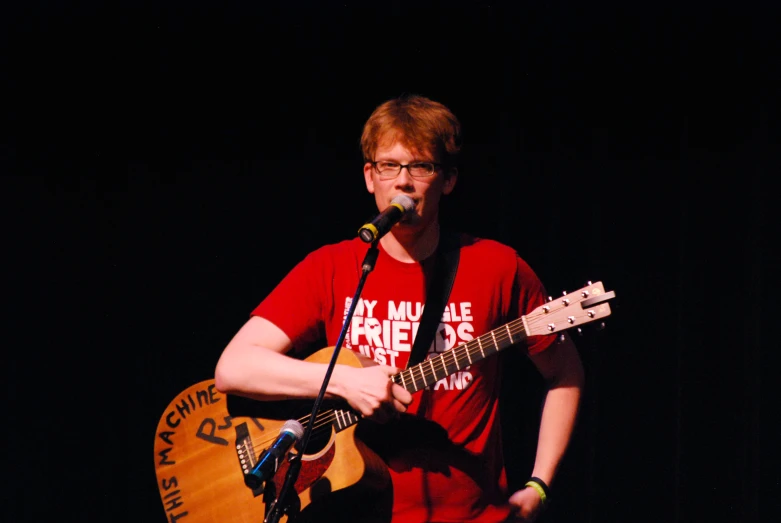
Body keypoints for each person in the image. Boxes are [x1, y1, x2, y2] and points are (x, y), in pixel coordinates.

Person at [214, 93, 585, 523]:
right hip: (351, 510)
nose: (403, 182)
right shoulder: (331, 267)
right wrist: (345, 382)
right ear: (370, 177)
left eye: (421, 166)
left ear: (447, 180)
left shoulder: (497, 266)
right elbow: (234, 367)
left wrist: (540, 484)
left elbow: (565, 373)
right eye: (389, 166)